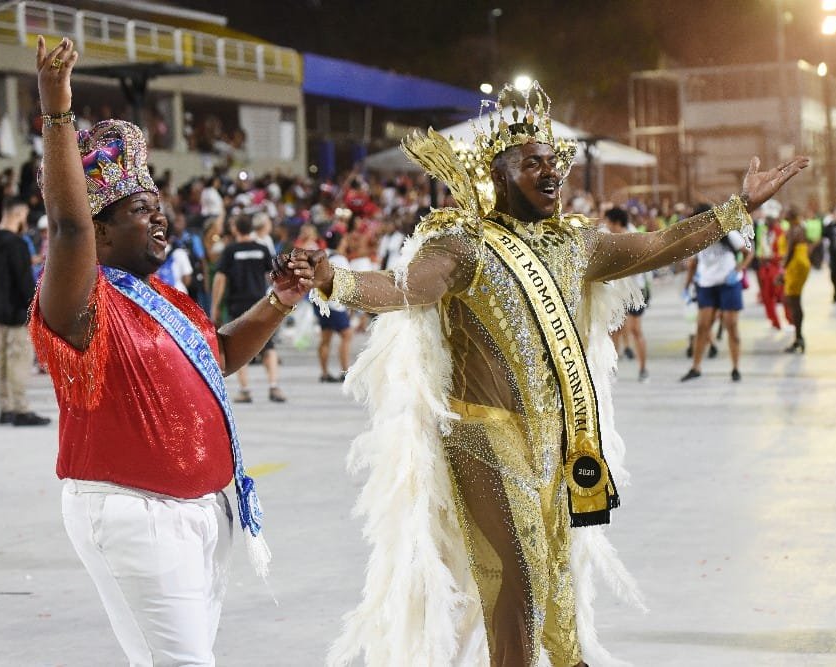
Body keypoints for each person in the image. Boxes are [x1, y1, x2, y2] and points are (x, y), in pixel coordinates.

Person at [281, 81, 807, 666]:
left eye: (553, 161)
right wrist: (333, 280)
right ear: (499, 176)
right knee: (519, 580)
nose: (551, 171)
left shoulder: (575, 244)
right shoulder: (463, 244)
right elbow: (406, 288)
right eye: (532, 163)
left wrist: (737, 208)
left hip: (559, 438)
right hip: (484, 436)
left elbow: (659, 244)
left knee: (556, 582)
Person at [28, 37, 310, 665]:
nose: (160, 220)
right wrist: (57, 110)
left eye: (159, 209)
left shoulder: (166, 299)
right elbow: (67, 226)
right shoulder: (83, 302)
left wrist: (279, 301)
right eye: (140, 210)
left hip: (202, 513)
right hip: (135, 513)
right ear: (100, 232)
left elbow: (221, 357)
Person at [0, 196, 49, 425]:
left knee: (3, 361)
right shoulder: (17, 244)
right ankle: (20, 409)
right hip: (17, 311)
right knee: (19, 359)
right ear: (18, 214)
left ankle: (6, 407)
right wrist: (34, 307)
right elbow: (24, 282)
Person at [211, 213, 287, 403]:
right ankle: (274, 386)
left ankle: (245, 390)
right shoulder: (261, 249)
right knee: (268, 345)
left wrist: (215, 306)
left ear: (235, 229)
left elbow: (220, 279)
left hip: (237, 304)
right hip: (260, 304)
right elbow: (274, 276)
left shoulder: (230, 251)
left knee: (238, 347)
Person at [680, 203, 755, 382]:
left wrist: (738, 270)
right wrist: (687, 286)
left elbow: (748, 253)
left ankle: (735, 368)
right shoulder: (696, 238)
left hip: (728, 284)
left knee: (731, 325)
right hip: (706, 284)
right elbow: (693, 264)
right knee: (702, 326)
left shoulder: (727, 233)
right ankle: (696, 367)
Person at [604, 206, 650, 381]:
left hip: (634, 291)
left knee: (636, 331)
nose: (606, 226)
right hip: (616, 291)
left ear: (616, 223)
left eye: (608, 222)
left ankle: (643, 369)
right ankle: (612, 369)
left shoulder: (634, 238)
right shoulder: (610, 238)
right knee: (614, 330)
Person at [312, 229, 353, 382]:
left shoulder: (321, 256)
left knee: (326, 336)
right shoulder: (340, 259)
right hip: (334, 304)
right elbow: (347, 283)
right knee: (347, 334)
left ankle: (324, 373)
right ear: (340, 243)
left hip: (319, 301)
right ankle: (345, 371)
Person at [782, 207, 811, 353]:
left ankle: (799, 338)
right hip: (801, 264)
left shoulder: (794, 229)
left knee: (793, 301)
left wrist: (782, 270)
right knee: (795, 301)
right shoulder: (800, 227)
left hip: (796, 265)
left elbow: (789, 251)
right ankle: (798, 337)